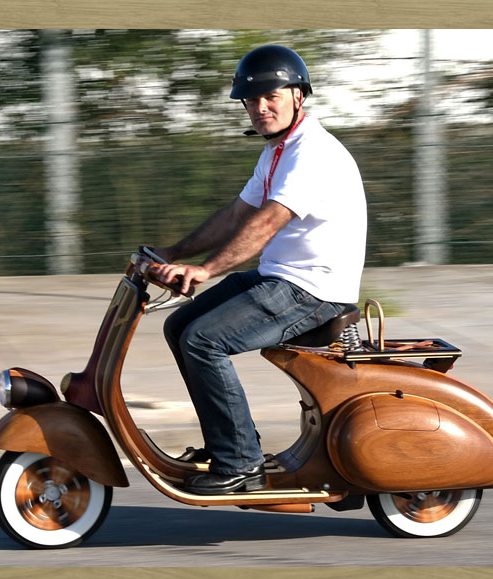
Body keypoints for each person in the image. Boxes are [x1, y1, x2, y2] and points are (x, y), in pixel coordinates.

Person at [152, 44, 367, 495]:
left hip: (313, 288)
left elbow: (267, 222)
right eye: (251, 100)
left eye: (271, 95)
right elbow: (237, 215)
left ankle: (242, 463)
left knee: (204, 340)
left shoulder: (313, 152)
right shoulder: (277, 152)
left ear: (299, 96)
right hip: (280, 278)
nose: (260, 106)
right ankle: (225, 445)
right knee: (179, 326)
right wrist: (171, 252)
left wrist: (207, 269)